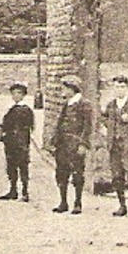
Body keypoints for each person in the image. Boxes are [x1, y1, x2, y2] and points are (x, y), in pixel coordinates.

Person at [101, 75, 128, 218]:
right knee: (116, 176)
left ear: (126, 88)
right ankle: (122, 205)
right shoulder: (111, 105)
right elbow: (104, 118)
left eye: (122, 87)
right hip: (114, 145)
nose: (119, 90)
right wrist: (108, 128)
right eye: (116, 87)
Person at [48, 75, 92, 214]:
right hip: (63, 144)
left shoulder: (84, 104)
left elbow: (88, 126)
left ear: (73, 89)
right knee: (61, 172)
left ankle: (77, 202)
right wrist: (54, 142)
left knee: (78, 173)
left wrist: (83, 144)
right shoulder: (66, 104)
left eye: (65, 88)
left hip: (75, 143)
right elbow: (59, 124)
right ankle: (63, 202)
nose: (63, 91)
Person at [0, 82, 35, 202]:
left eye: (19, 93)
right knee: (11, 166)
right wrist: (3, 131)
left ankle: (25, 192)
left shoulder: (25, 110)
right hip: (10, 142)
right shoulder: (12, 109)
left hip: (21, 142)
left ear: (23, 95)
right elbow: (6, 124)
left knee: (23, 166)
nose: (16, 96)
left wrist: (20, 138)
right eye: (13, 93)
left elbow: (29, 127)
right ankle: (13, 190)